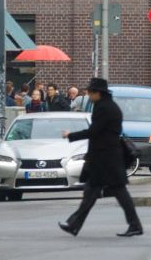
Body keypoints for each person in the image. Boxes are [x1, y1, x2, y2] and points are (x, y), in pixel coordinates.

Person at [58, 78, 143, 238]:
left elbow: (94, 131)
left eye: (90, 92)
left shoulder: (104, 108)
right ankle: (74, 224)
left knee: (114, 192)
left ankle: (135, 225)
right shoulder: (106, 105)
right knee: (94, 192)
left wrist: (71, 135)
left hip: (106, 159)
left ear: (98, 93)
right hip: (106, 157)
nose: (88, 95)